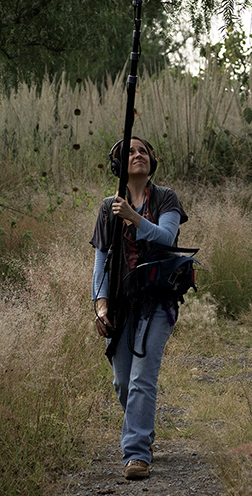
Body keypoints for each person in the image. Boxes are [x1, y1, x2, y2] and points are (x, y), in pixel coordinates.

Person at [90, 136, 188, 480]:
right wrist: (100, 306)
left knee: (142, 377)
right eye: (129, 152)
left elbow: (166, 237)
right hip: (120, 301)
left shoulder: (165, 198)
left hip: (157, 299)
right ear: (119, 165)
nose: (137, 155)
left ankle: (136, 453)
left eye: (142, 150)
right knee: (122, 383)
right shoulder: (107, 207)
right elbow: (101, 259)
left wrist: (133, 217)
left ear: (152, 160)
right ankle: (143, 430)